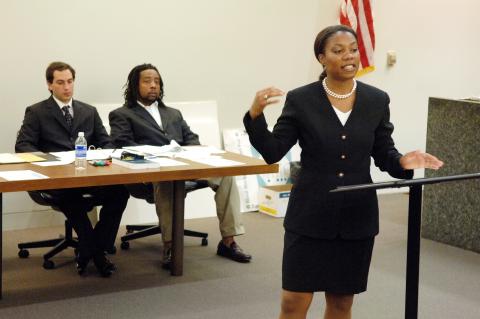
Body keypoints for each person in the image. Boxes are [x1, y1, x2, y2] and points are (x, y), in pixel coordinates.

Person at [244, 25, 443, 319]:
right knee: (294, 300)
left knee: (341, 302)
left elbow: (383, 151)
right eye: (338, 51)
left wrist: (402, 162)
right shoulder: (301, 99)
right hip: (310, 215)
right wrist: (255, 116)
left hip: (356, 217)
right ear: (322, 58)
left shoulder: (377, 100)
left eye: (353, 50)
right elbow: (273, 150)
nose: (348, 57)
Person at [108, 63, 251, 269]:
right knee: (167, 180)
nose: (153, 85)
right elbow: (123, 145)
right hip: (150, 173)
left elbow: (191, 139)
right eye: (147, 81)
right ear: (134, 85)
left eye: (157, 81)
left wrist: (190, 154)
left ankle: (228, 241)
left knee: (225, 175)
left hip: (184, 167)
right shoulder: (122, 114)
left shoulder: (173, 113)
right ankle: (170, 245)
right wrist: (158, 154)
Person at [15, 62, 129, 277]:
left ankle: (91, 248)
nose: (67, 87)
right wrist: (51, 160)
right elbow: (23, 145)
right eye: (60, 82)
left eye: (70, 81)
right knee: (71, 196)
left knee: (120, 192)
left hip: (89, 175)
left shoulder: (89, 111)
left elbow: (106, 143)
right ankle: (97, 255)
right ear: (50, 85)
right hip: (57, 181)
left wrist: (101, 156)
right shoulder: (37, 111)